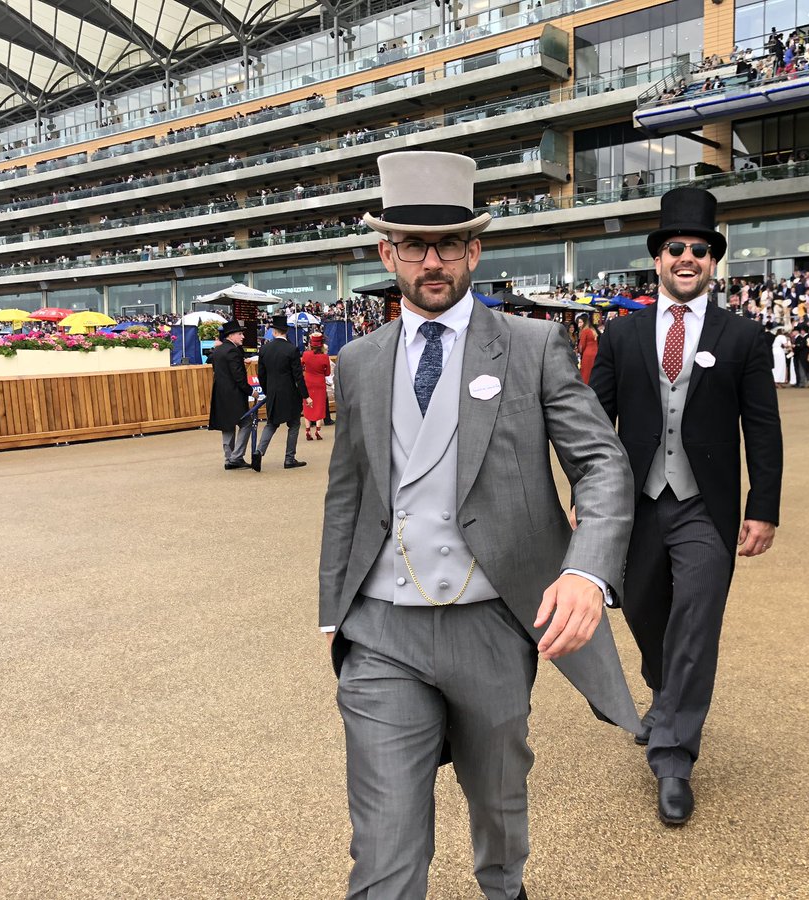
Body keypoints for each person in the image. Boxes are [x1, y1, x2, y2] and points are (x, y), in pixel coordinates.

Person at [320, 151, 639, 900]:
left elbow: (603, 464)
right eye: (412, 245)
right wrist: (332, 610)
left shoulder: (530, 347)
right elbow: (346, 491)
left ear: (476, 249)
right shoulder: (359, 361)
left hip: (492, 623)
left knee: (498, 802)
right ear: (385, 253)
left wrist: (588, 570)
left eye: (450, 244)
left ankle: (505, 885)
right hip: (380, 630)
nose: (432, 262)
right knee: (384, 853)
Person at [589, 187, 783, 826]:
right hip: (638, 506)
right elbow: (591, 427)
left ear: (712, 261)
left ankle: (673, 754)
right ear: (658, 257)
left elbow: (762, 428)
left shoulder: (743, 336)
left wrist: (765, 505)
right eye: (677, 247)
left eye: (701, 250)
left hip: (707, 507)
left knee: (697, 618)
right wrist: (586, 501)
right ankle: (665, 692)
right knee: (646, 614)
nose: (688, 257)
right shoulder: (619, 336)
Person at [256, 314, 309, 469]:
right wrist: (306, 395)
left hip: (273, 392)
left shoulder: (264, 349)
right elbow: (298, 377)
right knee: (293, 425)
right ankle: (289, 458)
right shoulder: (292, 350)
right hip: (290, 393)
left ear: (274, 332)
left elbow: (261, 375)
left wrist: (267, 391)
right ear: (286, 332)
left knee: (271, 424)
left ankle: (259, 451)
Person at [207, 318, 252, 470]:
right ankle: (236, 457)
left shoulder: (218, 350)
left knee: (227, 425)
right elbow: (238, 376)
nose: (242, 337)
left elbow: (216, 365)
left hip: (220, 393)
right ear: (231, 335)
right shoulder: (233, 351)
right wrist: (251, 391)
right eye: (240, 334)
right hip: (234, 395)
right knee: (246, 423)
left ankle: (229, 458)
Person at [301, 332, 331, 440]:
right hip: (320, 383)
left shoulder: (305, 354)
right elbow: (327, 373)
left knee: (307, 406)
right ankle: (317, 431)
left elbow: (302, 366)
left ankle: (308, 431)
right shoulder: (325, 357)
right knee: (319, 406)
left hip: (308, 382)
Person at [576, 313, 598, 384]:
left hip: (587, 354)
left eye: (580, 322)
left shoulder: (585, 331)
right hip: (595, 353)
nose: (579, 324)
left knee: (585, 372)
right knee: (592, 371)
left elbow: (582, 346)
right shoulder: (592, 330)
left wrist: (579, 352)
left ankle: (585, 387)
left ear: (584, 322)